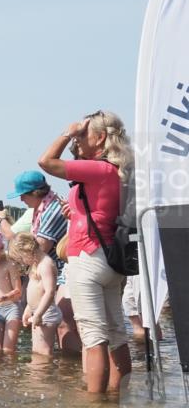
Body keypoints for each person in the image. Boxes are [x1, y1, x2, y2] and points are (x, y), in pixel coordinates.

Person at [39, 110, 133, 393]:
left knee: (93, 336)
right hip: (109, 261)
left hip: (87, 258)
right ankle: (117, 399)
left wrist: (68, 131)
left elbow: (46, 162)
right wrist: (75, 214)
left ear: (101, 138)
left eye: (84, 134)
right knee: (116, 332)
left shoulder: (99, 169)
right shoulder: (119, 171)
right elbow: (101, 212)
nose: (78, 140)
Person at [0, 170, 80, 355]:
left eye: (23, 195)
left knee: (64, 322)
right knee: (63, 323)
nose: (21, 200)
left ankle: (72, 365)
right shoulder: (44, 207)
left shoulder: (50, 211)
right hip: (57, 273)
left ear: (35, 193)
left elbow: (39, 247)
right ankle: (67, 368)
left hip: (63, 272)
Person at [9, 233, 63, 356]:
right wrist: (28, 309)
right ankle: (39, 374)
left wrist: (38, 314)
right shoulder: (35, 264)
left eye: (21, 258)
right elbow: (35, 290)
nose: (22, 262)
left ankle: (42, 373)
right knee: (37, 351)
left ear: (27, 250)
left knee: (43, 353)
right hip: (38, 311)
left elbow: (49, 292)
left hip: (46, 313)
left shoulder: (46, 264)